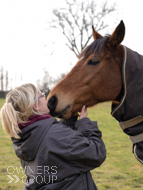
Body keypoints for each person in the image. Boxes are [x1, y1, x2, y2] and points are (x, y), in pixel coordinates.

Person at [1, 83, 106, 190]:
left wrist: (69, 120)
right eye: (42, 95)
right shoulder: (56, 134)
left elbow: (60, 156)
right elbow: (96, 153)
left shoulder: (25, 135)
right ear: (35, 106)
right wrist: (85, 124)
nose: (45, 97)